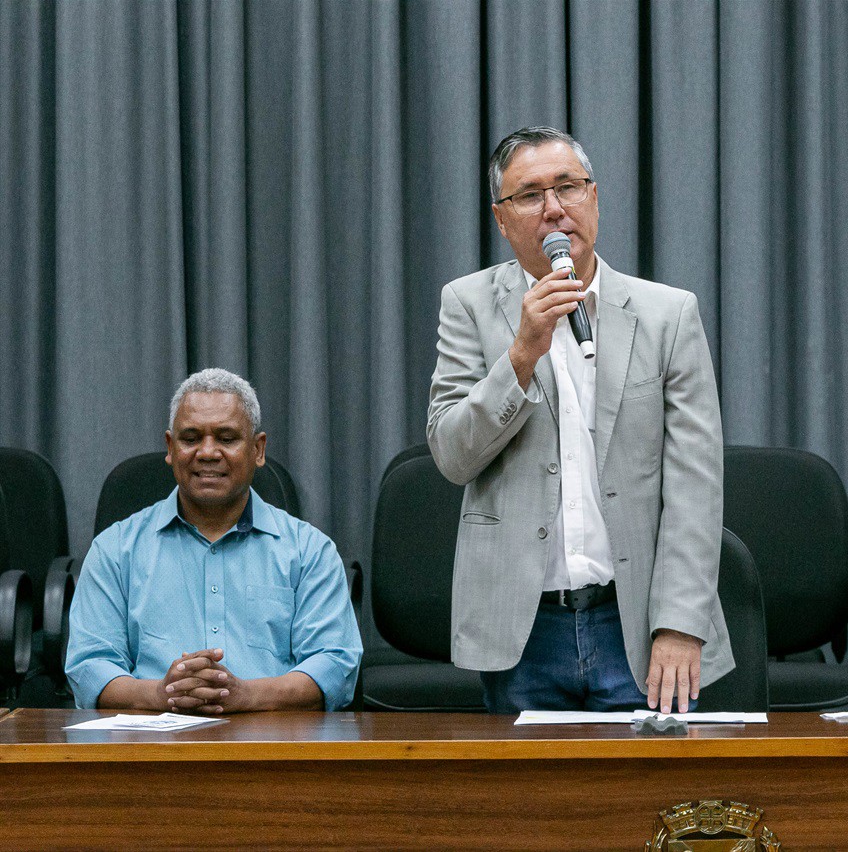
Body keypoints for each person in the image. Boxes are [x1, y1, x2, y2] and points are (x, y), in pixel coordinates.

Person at [428, 126, 732, 714]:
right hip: (522, 629)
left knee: (647, 805)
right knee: (528, 807)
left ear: (593, 197)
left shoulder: (668, 314)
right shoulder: (467, 305)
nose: (553, 210)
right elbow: (451, 454)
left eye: (568, 187)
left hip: (637, 619)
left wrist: (678, 622)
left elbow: (697, 483)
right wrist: (520, 355)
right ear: (501, 217)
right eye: (529, 195)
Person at [66, 368, 362, 713]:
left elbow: (335, 666)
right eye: (190, 438)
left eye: (226, 437)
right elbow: (90, 666)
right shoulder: (115, 550)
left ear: (258, 449)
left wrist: (247, 695)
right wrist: (160, 695)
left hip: (274, 748)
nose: (207, 452)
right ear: (170, 448)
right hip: (150, 750)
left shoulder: (310, 551)